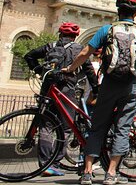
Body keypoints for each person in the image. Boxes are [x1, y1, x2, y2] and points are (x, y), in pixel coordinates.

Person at [63, 0, 136, 185]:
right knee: (123, 128)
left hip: (109, 84)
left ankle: (87, 172)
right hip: (130, 86)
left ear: (118, 11)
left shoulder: (106, 30)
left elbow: (86, 52)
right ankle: (111, 173)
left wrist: (70, 68)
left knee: (97, 127)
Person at [24, 22, 98, 177]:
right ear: (75, 36)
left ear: (60, 34)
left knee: (46, 125)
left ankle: (45, 165)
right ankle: (55, 163)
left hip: (48, 88)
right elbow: (89, 70)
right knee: (66, 127)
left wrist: (38, 69)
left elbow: (29, 56)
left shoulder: (50, 46)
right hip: (66, 89)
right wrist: (96, 89)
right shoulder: (78, 49)